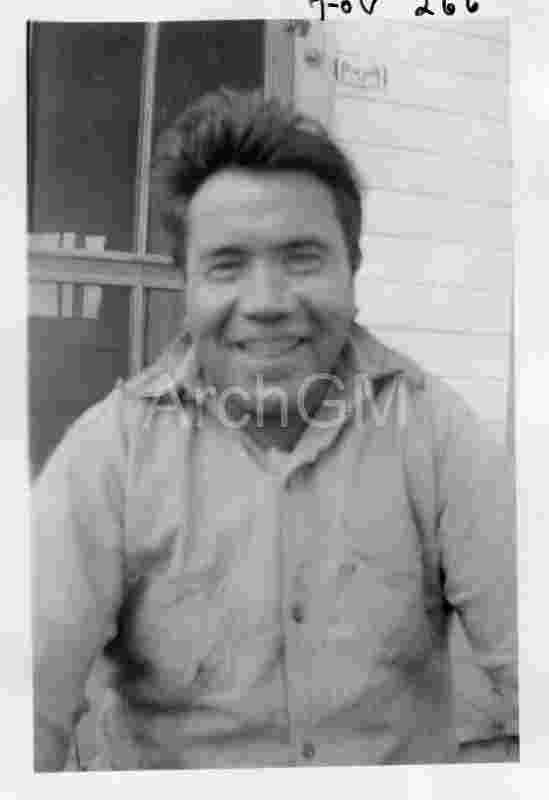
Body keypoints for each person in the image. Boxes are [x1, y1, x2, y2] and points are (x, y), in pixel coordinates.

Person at [33, 89, 518, 771]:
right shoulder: (108, 455)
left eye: (301, 258)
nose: (265, 304)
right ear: (185, 285)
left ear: (352, 270)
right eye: (227, 265)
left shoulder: (435, 433)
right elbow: (24, 706)